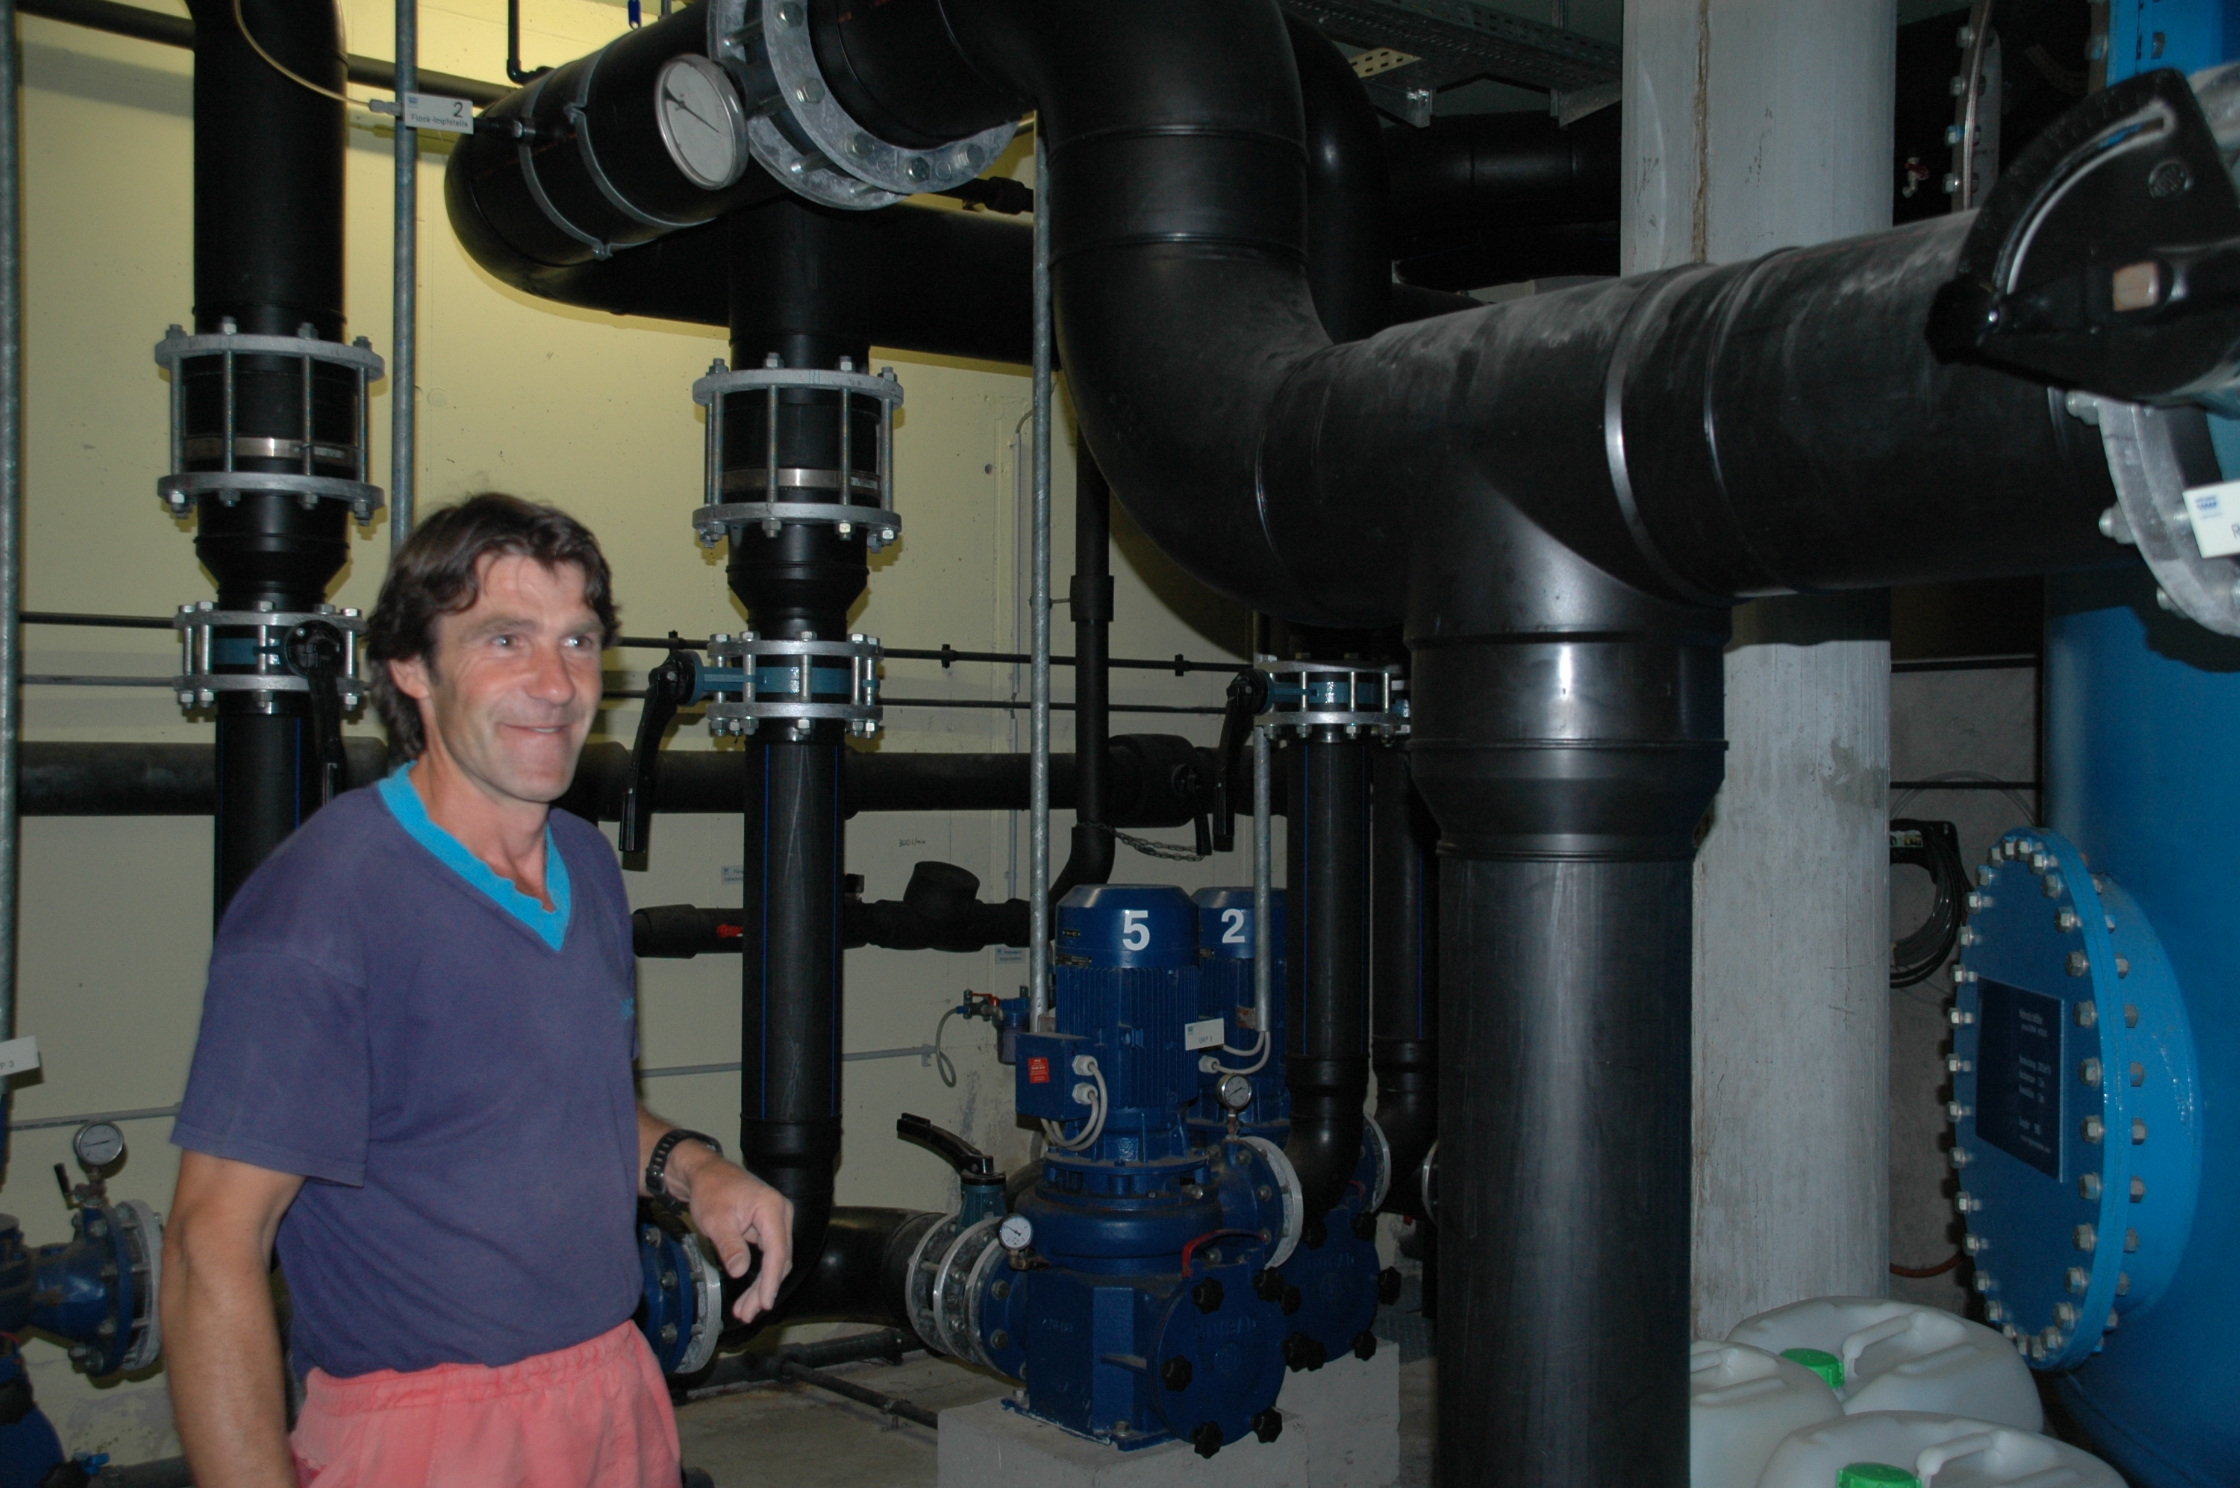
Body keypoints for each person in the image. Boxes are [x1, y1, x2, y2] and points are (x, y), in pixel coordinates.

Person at [160, 493, 794, 1487]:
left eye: (578, 639)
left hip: (612, 1391)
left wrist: (693, 1170)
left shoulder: (585, 865)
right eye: (506, 639)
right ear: (412, 668)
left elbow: (558, 1109)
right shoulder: (326, 902)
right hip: (428, 1431)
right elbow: (210, 1247)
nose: (556, 682)